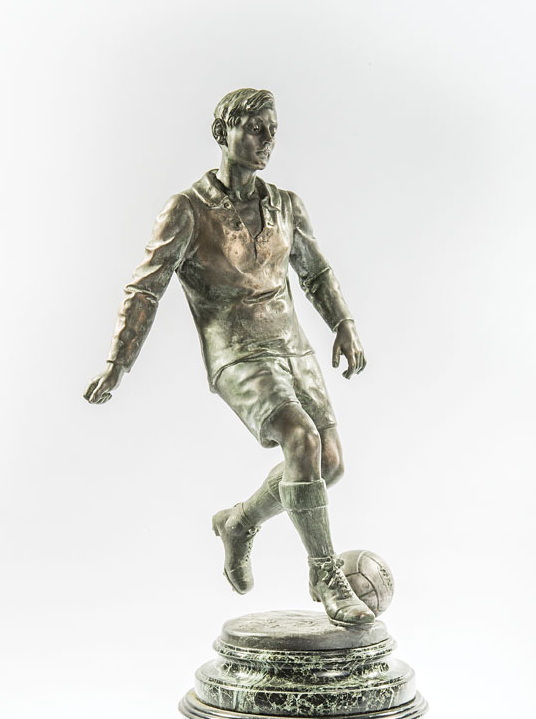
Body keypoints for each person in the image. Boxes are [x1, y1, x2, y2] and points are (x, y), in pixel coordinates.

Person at [84, 88, 374, 627]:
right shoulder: (188, 210)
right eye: (256, 128)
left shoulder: (285, 204)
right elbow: (145, 288)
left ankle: (238, 522)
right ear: (224, 132)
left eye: (273, 131)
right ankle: (324, 573)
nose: (267, 140)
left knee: (328, 464)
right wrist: (118, 362)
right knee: (301, 439)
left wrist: (344, 324)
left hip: (293, 346)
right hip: (237, 352)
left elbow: (314, 272)